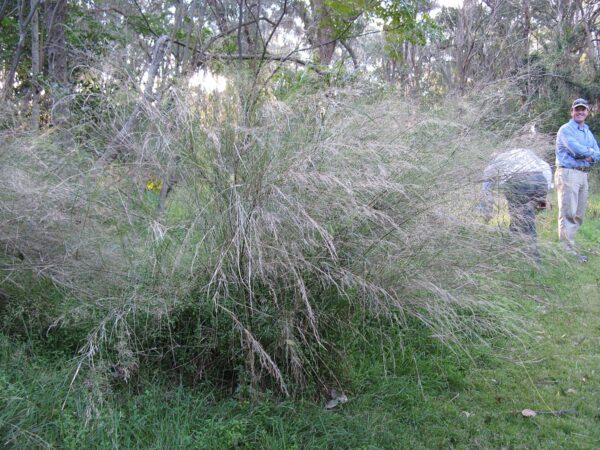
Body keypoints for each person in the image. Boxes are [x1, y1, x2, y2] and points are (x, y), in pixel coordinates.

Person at [479, 148, 552, 261]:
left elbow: (486, 189)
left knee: (525, 219)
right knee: (522, 216)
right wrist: (542, 202)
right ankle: (513, 247)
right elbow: (546, 170)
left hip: (521, 182)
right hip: (541, 181)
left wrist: (486, 211)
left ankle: (534, 258)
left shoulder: (495, 163)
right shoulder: (525, 154)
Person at [555, 98, 600, 263]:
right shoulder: (565, 129)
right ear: (572, 111)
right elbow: (577, 150)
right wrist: (588, 153)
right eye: (577, 109)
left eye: (583, 109)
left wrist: (590, 154)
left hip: (583, 175)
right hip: (568, 173)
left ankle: (570, 247)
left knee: (579, 214)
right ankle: (566, 252)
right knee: (568, 212)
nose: (580, 112)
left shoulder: (587, 131)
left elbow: (597, 152)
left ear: (588, 112)